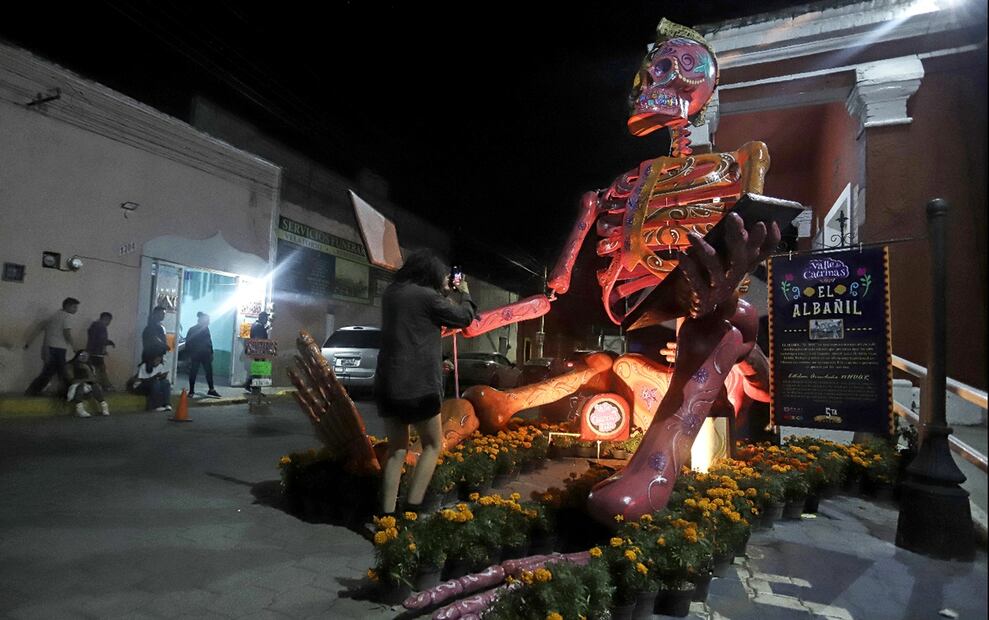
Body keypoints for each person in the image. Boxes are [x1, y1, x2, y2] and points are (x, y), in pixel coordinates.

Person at [374, 249, 477, 516]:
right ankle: (413, 507)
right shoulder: (428, 297)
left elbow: (419, 313)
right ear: (430, 274)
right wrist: (464, 292)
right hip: (419, 387)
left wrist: (442, 291)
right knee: (433, 444)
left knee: (397, 449)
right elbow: (463, 317)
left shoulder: (392, 294)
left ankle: (386, 514)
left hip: (388, 385)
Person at [24, 297, 80, 396]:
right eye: (74, 307)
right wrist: (74, 346)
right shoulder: (67, 316)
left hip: (50, 348)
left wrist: (28, 343)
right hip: (58, 349)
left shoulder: (54, 316)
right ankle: (66, 393)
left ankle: (32, 391)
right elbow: (67, 333)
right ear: (67, 306)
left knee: (49, 372)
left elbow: (42, 330)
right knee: (61, 372)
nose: (76, 309)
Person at [186, 312, 221, 398]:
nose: (208, 322)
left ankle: (210, 390)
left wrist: (211, 352)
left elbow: (209, 342)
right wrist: (190, 355)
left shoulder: (205, 329)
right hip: (197, 355)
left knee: (207, 373)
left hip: (204, 355)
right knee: (194, 372)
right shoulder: (193, 329)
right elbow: (189, 343)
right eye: (207, 320)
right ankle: (191, 391)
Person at [66, 350, 110, 417]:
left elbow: (94, 379)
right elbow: (72, 380)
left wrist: (87, 369)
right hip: (73, 387)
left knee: (94, 385)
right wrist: (84, 380)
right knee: (80, 386)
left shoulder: (89, 366)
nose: (84, 357)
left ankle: (104, 406)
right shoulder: (70, 365)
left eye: (86, 356)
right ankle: (80, 410)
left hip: (86, 385)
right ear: (77, 356)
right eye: (82, 355)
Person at [86, 312, 116, 391]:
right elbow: (101, 340)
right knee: (101, 369)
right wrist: (109, 343)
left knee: (94, 369)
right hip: (96, 352)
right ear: (106, 319)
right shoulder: (101, 327)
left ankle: (103, 386)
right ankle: (106, 386)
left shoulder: (93, 325)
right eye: (109, 321)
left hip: (91, 351)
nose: (109, 323)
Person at [243, 311, 270, 393]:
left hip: (256, 351)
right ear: (262, 318)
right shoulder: (259, 326)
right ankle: (255, 389)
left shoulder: (256, 325)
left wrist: (265, 329)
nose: (267, 320)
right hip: (259, 351)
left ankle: (250, 385)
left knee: (257, 370)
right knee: (259, 371)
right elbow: (259, 339)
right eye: (266, 318)